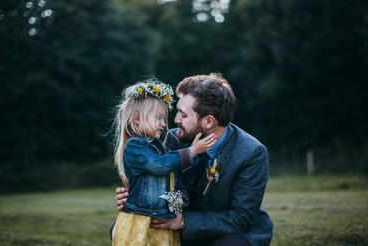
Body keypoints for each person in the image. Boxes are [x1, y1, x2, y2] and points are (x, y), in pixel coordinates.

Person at [115, 73, 274, 246]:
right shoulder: (175, 138)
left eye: (183, 115)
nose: (175, 120)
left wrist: (185, 222)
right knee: (124, 231)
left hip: (229, 232)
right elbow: (162, 178)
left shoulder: (251, 153)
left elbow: (242, 218)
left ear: (208, 121)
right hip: (184, 229)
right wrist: (136, 196)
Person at [110, 78, 217, 245]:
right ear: (137, 119)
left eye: (163, 118)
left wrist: (180, 198)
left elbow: (174, 175)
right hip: (141, 220)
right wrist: (192, 151)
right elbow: (160, 165)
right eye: (158, 118)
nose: (163, 124)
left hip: (162, 222)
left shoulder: (160, 148)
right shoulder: (135, 146)